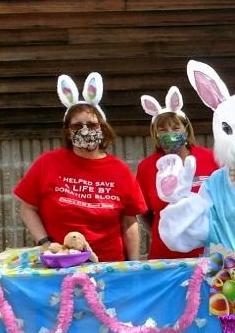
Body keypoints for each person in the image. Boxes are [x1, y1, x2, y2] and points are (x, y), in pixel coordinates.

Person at [14, 72, 146, 262]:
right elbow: (27, 209)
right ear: (68, 132)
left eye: (92, 125)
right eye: (77, 126)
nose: (85, 130)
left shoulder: (121, 170)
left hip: (108, 265)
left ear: (102, 128)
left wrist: (134, 267)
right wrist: (45, 243)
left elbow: (129, 223)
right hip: (60, 262)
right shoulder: (48, 162)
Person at [135, 87, 218, 259]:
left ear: (186, 130)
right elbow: (144, 213)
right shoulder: (147, 167)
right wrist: (168, 233)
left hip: (209, 253)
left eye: (175, 128)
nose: (170, 134)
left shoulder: (211, 158)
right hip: (165, 255)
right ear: (155, 135)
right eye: (163, 130)